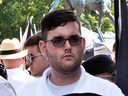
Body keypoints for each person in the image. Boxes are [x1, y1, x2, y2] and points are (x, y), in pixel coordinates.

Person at [16, 9, 124, 96]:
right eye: (58, 41)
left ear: (83, 44)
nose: (67, 46)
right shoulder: (23, 92)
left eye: (74, 39)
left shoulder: (108, 92)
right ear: (43, 49)